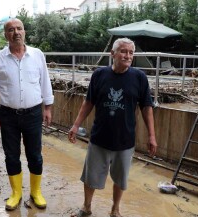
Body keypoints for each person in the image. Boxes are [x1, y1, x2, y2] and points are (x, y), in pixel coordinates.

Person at [68, 38, 158, 217]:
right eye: (124, 51)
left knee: (120, 179)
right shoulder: (99, 75)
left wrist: (152, 136)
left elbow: (147, 108)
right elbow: (89, 102)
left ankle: (115, 210)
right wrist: (76, 125)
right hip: (100, 137)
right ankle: (86, 207)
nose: (128, 56)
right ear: (113, 54)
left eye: (131, 53)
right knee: (90, 176)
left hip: (125, 139)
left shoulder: (139, 77)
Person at [0, 18, 54, 211]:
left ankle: (36, 192)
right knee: (12, 156)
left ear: (25, 31)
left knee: (35, 155)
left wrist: (48, 108)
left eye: (19, 29)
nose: (16, 32)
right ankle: (16, 193)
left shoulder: (37, 55)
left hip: (33, 114)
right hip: (8, 115)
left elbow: (45, 82)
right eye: (11, 30)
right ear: (5, 34)